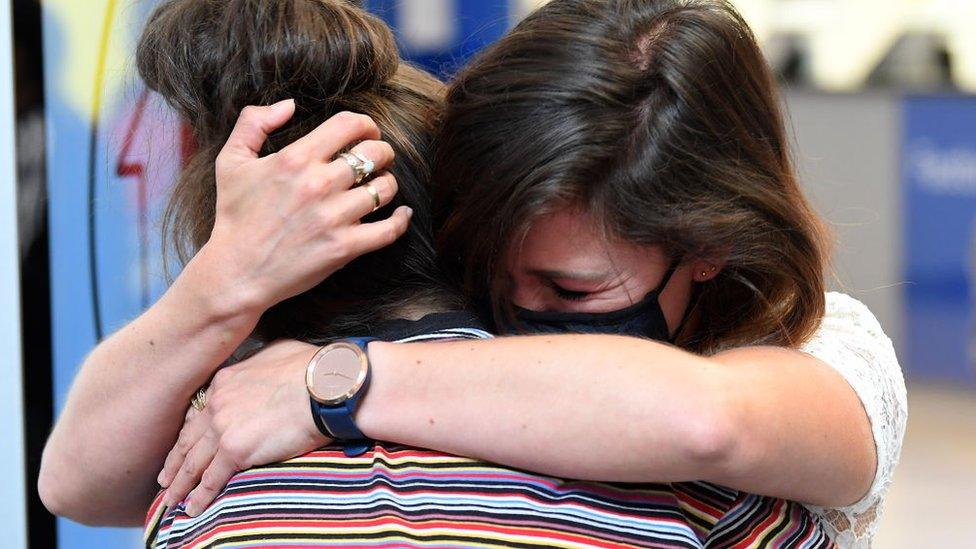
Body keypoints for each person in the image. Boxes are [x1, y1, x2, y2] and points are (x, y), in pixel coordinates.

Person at [153, 1, 906, 547]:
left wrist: (337, 385)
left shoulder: (827, 351)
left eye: (571, 290)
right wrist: (222, 283)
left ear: (708, 244)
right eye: (483, 272)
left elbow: (706, 420)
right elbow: (74, 483)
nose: (511, 317)